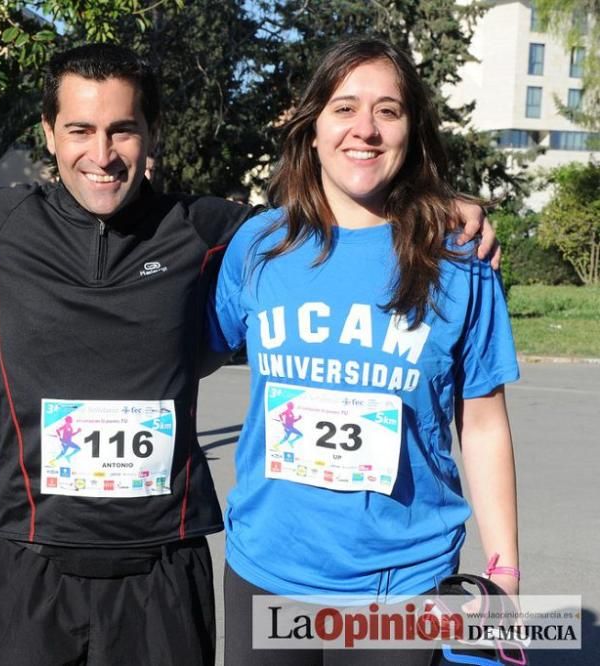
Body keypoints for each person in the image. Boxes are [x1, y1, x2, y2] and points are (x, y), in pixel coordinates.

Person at [0, 44, 498, 665]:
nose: (103, 153)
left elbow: (334, 215)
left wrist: (438, 205)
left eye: (122, 130)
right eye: (81, 131)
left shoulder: (213, 231)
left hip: (164, 567)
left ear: (150, 137)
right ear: (51, 136)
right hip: (29, 562)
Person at [213, 38, 519, 665]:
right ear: (313, 127)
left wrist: (504, 572)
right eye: (345, 108)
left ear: (412, 130)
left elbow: (483, 424)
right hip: (268, 570)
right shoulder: (258, 248)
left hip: (401, 587)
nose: (366, 130)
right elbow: (179, 359)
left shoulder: (459, 260)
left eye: (388, 111)